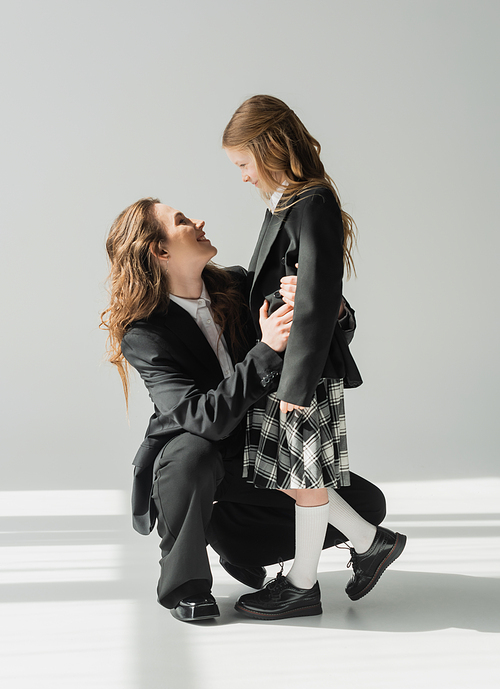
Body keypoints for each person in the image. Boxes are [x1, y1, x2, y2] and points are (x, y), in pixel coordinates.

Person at [101, 197, 387, 622]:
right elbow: (203, 418)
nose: (198, 220)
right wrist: (266, 349)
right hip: (197, 454)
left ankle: (236, 543)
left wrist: (331, 307)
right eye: (181, 221)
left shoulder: (237, 286)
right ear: (159, 251)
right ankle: (189, 588)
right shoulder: (144, 333)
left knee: (368, 502)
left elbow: (310, 322)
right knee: (191, 454)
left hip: (258, 446)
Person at [223, 94, 406, 620]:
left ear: (268, 147)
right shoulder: (290, 202)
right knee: (300, 477)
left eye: (242, 164)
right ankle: (371, 544)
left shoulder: (314, 202)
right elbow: (296, 286)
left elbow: (321, 300)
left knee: (302, 481)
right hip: (288, 370)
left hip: (303, 373)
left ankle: (303, 586)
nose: (240, 176)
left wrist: (294, 389)